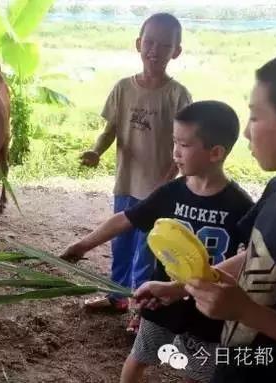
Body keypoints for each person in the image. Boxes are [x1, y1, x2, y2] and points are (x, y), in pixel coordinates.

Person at [63, 100, 254, 382]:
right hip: (161, 299)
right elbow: (126, 218)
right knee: (140, 357)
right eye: (174, 142)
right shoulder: (170, 193)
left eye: (184, 145)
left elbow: (256, 254)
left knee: (200, 372)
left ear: (215, 152)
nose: (175, 152)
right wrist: (82, 245)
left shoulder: (240, 204)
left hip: (209, 306)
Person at [135, 53, 276, 382]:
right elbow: (254, 256)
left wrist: (247, 312)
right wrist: (178, 288)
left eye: (256, 117)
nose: (246, 133)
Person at [79, 13, 192, 329]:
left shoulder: (177, 95)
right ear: (138, 44)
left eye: (164, 45)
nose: (155, 50)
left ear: (176, 51)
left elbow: (182, 145)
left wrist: (166, 183)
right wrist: (96, 150)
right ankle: (117, 298)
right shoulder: (123, 88)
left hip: (157, 191)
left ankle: (141, 313)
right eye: (150, 42)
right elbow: (110, 129)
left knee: (147, 252)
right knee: (122, 246)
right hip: (126, 185)